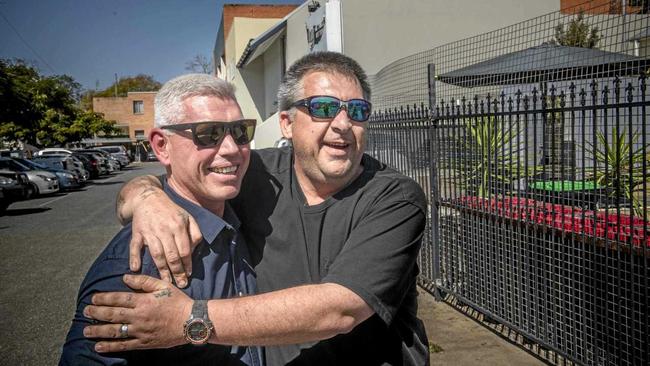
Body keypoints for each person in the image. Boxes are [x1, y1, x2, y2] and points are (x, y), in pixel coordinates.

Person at [83, 51, 430, 365]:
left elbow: (339, 309)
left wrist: (188, 319)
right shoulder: (255, 174)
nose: (343, 124)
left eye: (357, 111)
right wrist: (145, 195)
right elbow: (180, 179)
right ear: (286, 123)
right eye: (323, 108)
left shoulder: (395, 198)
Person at [60, 74, 262, 366]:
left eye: (241, 131)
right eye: (209, 133)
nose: (233, 148)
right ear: (161, 146)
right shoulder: (138, 261)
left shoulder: (236, 210)